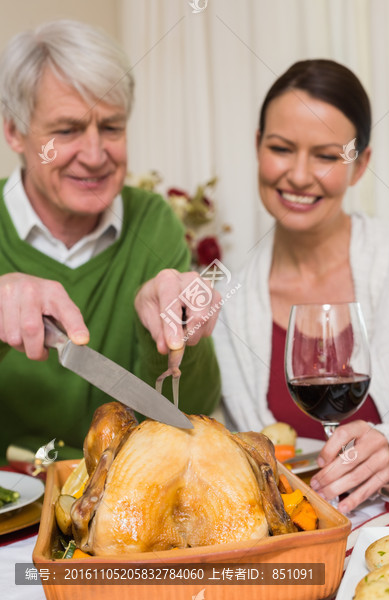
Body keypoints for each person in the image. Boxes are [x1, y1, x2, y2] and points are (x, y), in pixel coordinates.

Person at [0, 19, 221, 464]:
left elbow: (188, 415)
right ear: (15, 133)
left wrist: (169, 334)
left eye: (113, 127)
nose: (97, 154)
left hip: (118, 514)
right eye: (67, 130)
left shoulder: (152, 219)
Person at [212, 59, 389, 513]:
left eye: (327, 156)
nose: (298, 175)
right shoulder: (228, 302)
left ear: (360, 165)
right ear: (258, 147)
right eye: (281, 148)